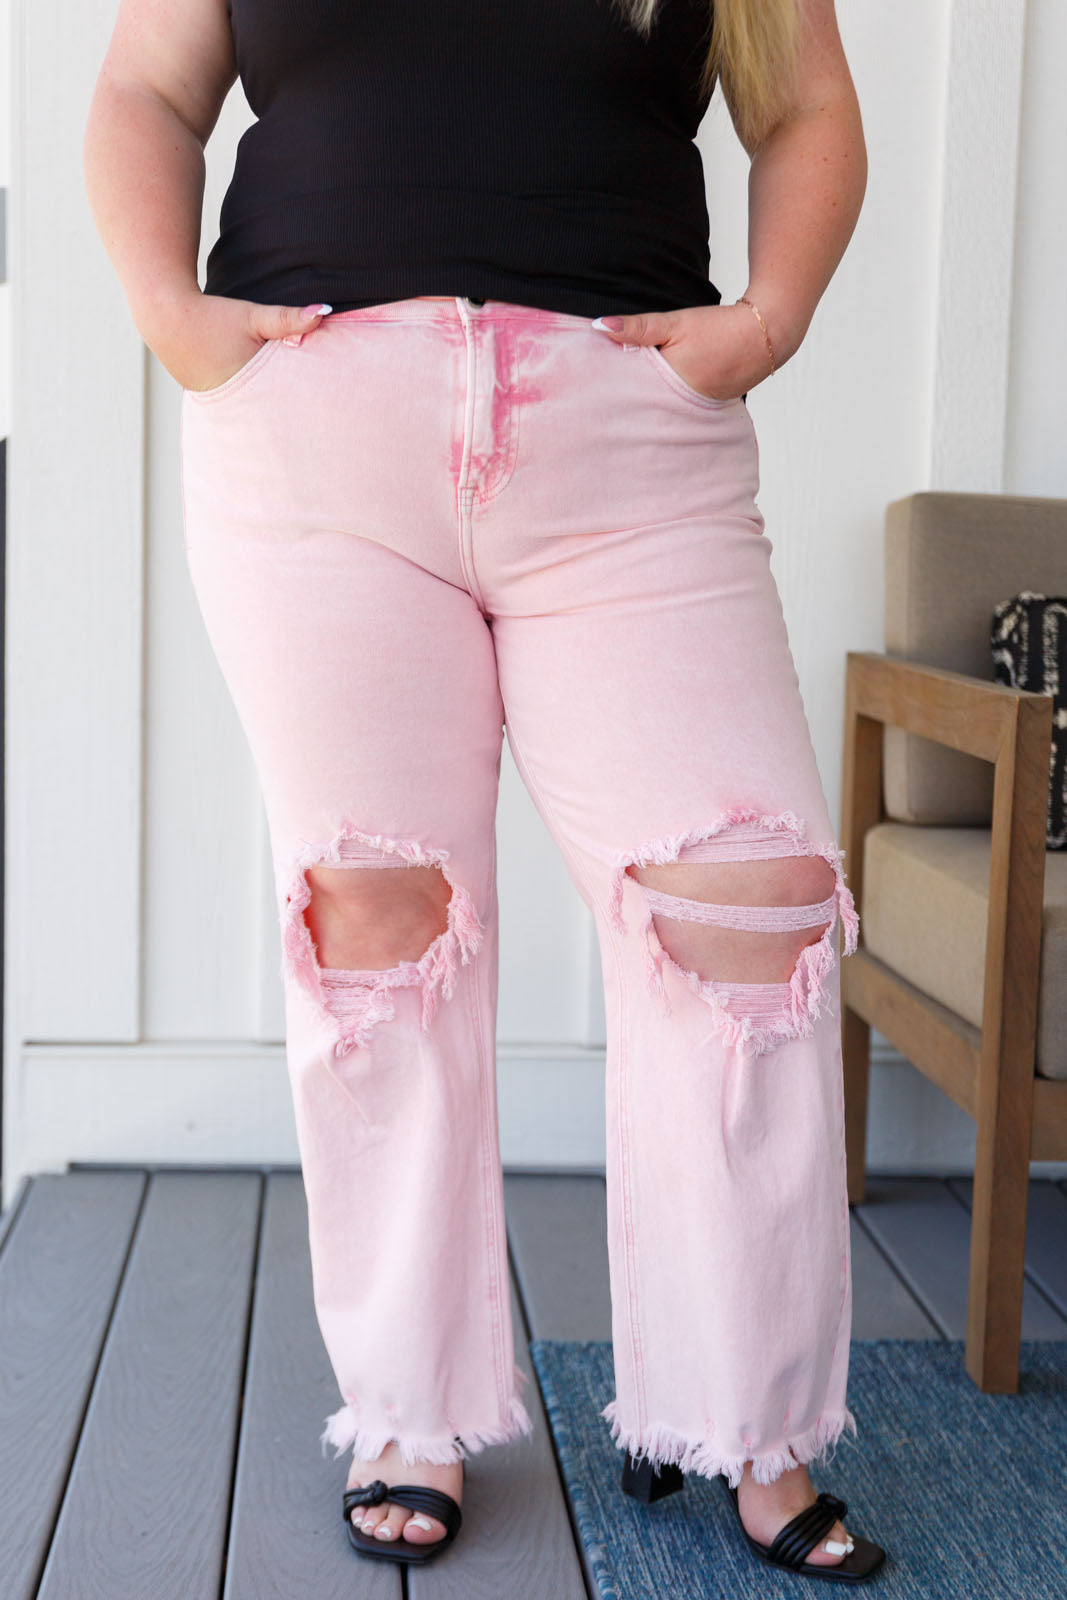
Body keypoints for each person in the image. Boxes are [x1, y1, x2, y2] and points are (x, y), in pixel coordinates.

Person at [83, 0, 887, 1581]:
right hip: (319, 446)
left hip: (629, 451)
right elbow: (145, 90)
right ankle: (411, 1406)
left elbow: (805, 107)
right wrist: (167, 310)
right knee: (378, 921)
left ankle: (747, 1418)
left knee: (750, 910)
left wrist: (772, 316)